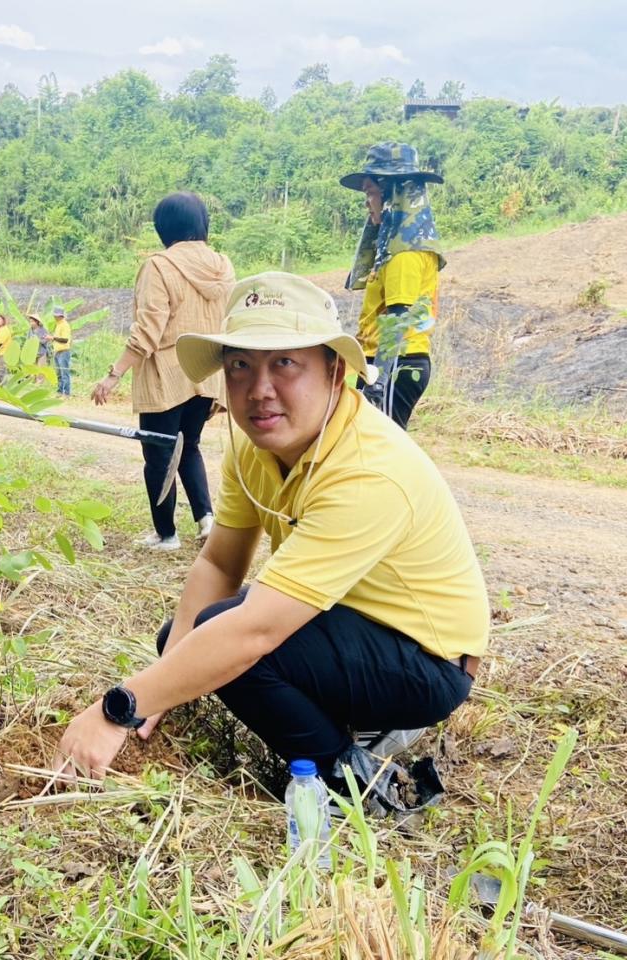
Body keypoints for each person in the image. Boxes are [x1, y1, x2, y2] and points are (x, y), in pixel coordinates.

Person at [57, 272, 489, 810]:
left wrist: (119, 708)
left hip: (427, 660)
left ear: (335, 371)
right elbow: (220, 563)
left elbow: (256, 631)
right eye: (240, 365)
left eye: (284, 362)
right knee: (184, 639)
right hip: (346, 616)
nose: (259, 390)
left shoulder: (369, 470)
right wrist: (158, 687)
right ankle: (344, 725)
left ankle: (352, 780)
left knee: (235, 644)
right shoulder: (255, 444)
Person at [91, 192, 234, 551]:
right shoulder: (223, 266)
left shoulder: (159, 266)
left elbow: (148, 328)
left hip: (167, 375)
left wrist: (114, 374)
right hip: (207, 370)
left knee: (158, 456)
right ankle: (206, 520)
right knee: (189, 447)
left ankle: (166, 534)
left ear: (163, 227)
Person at [341, 142, 445, 429]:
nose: (367, 202)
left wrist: (378, 382)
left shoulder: (405, 252)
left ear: (391, 194)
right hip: (384, 364)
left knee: (379, 447)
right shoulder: (393, 247)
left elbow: (398, 317)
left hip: (397, 365)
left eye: (370, 192)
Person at [51, 306, 72, 397]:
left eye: (56, 315)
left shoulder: (65, 325)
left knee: (64, 373)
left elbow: (65, 340)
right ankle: (59, 391)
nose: (54, 317)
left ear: (60, 316)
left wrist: (53, 338)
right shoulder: (58, 325)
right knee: (59, 373)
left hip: (63, 352)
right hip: (57, 351)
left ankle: (67, 393)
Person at [0, 314, 14, 383]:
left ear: (3, 321)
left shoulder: (4, 330)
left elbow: (0, 343)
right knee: (0, 369)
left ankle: (0, 384)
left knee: (0, 370)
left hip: (3, 353)